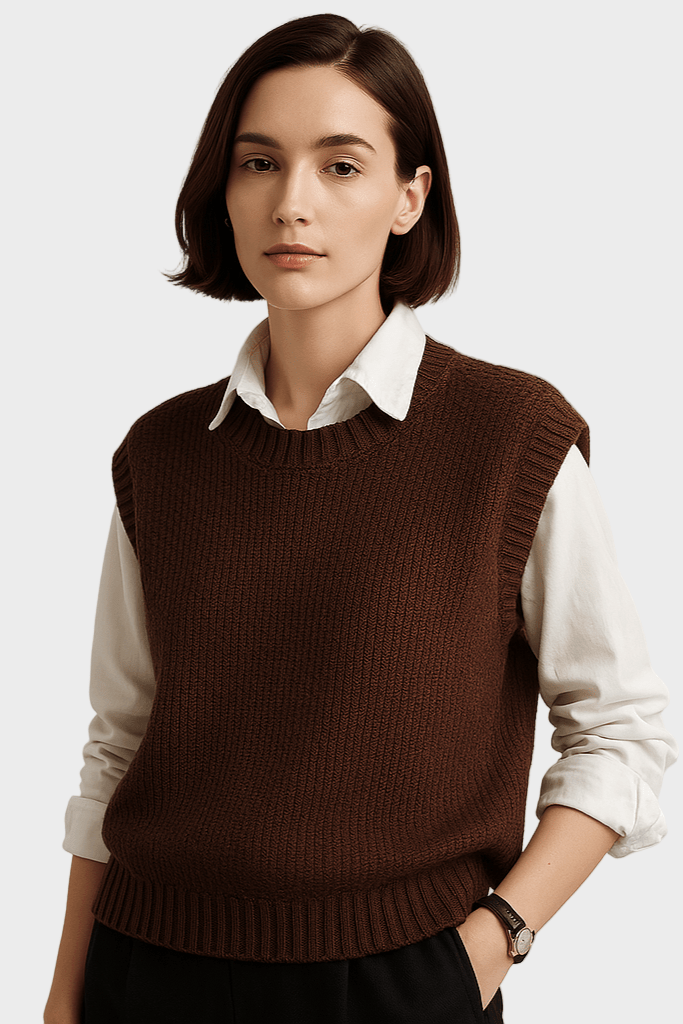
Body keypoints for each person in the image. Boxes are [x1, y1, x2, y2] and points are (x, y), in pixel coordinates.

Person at [44, 13, 677, 1024]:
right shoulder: (160, 455)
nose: (290, 202)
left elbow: (618, 730)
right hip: (146, 972)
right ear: (224, 188)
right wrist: (64, 994)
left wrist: (488, 945)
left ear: (408, 197)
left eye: (340, 166)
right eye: (259, 162)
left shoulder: (510, 438)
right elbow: (119, 743)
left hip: (395, 984)